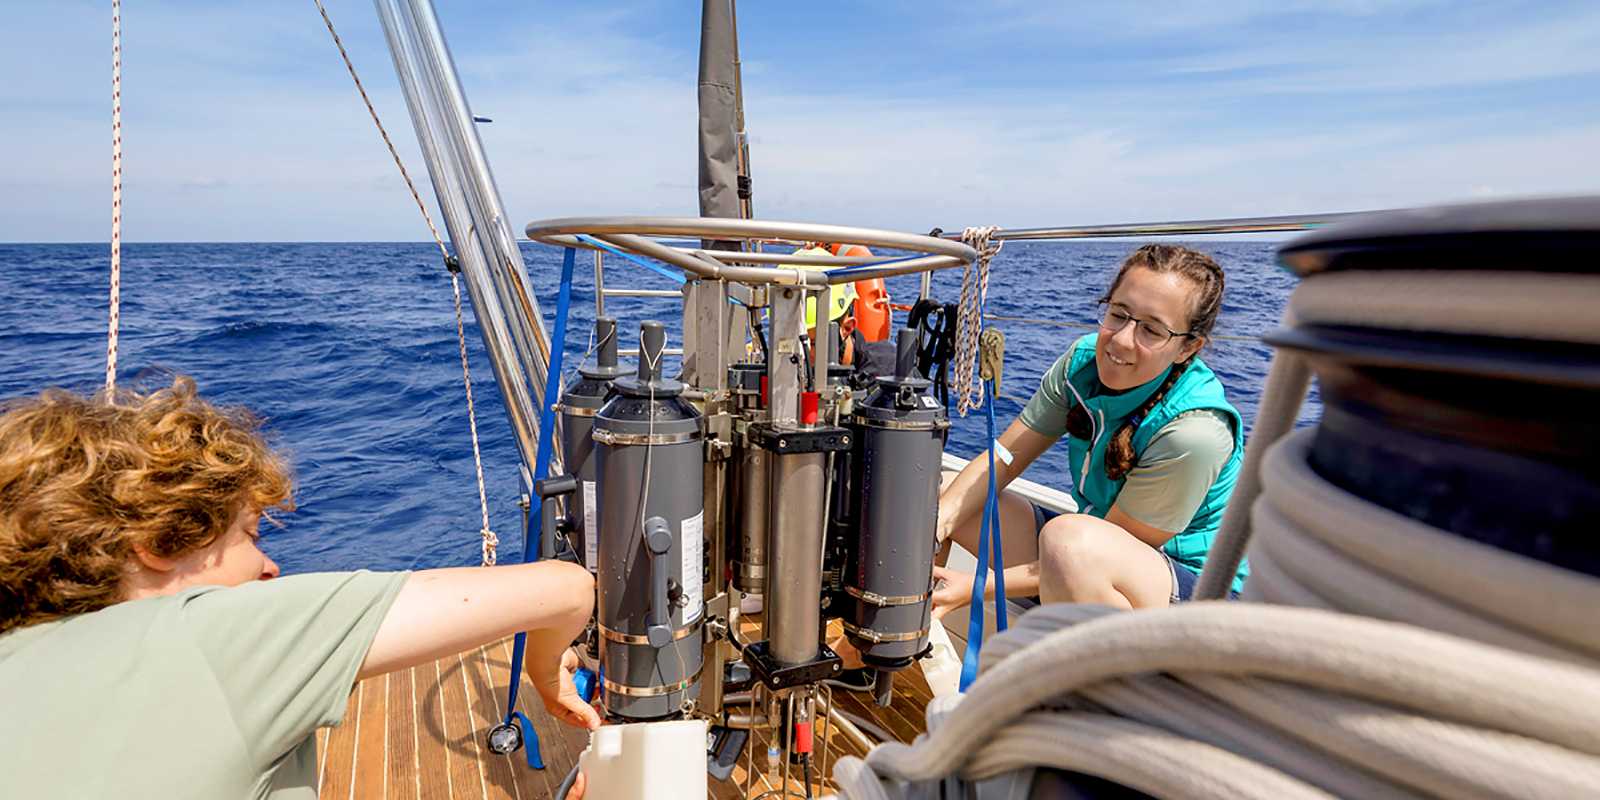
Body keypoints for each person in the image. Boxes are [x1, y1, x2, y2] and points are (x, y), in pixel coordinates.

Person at [0, 377, 597, 799]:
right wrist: (547, 678)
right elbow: (567, 587)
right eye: (248, 535)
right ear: (158, 545)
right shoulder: (212, 640)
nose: (269, 568)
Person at [932, 244, 1247, 619]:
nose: (1122, 339)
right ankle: (896, 645)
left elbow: (1099, 552)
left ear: (1187, 348)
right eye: (1119, 314)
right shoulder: (1082, 365)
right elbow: (1006, 455)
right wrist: (940, 521)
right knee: (947, 496)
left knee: (1070, 543)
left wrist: (974, 587)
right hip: (1086, 557)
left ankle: (1108, 676)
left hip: (1196, 599)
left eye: (1151, 329)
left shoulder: (1194, 433)